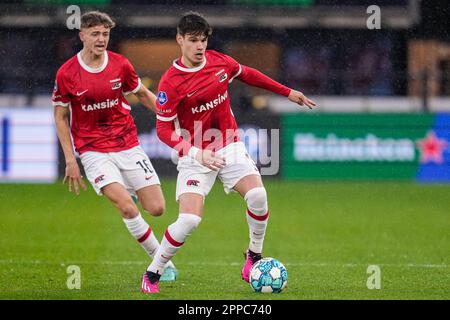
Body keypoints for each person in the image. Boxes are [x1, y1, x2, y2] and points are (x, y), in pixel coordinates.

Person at [141, 11, 316, 293]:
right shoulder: (170, 83)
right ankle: (153, 272)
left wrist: (287, 92)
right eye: (193, 40)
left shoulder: (220, 62)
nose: (200, 46)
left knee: (258, 195)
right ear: (180, 40)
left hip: (229, 144)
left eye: (204, 40)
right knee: (189, 221)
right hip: (195, 155)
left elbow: (248, 74)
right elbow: (163, 131)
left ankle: (253, 256)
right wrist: (197, 153)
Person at [52, 11, 177, 283]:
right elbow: (61, 116)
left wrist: (172, 119)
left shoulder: (120, 65)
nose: (101, 39)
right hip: (93, 151)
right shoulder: (67, 73)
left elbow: (142, 94)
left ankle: (124, 188)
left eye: (105, 34)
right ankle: (160, 263)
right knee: (128, 208)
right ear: (82, 35)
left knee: (156, 209)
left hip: (127, 144)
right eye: (95, 34)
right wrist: (71, 159)